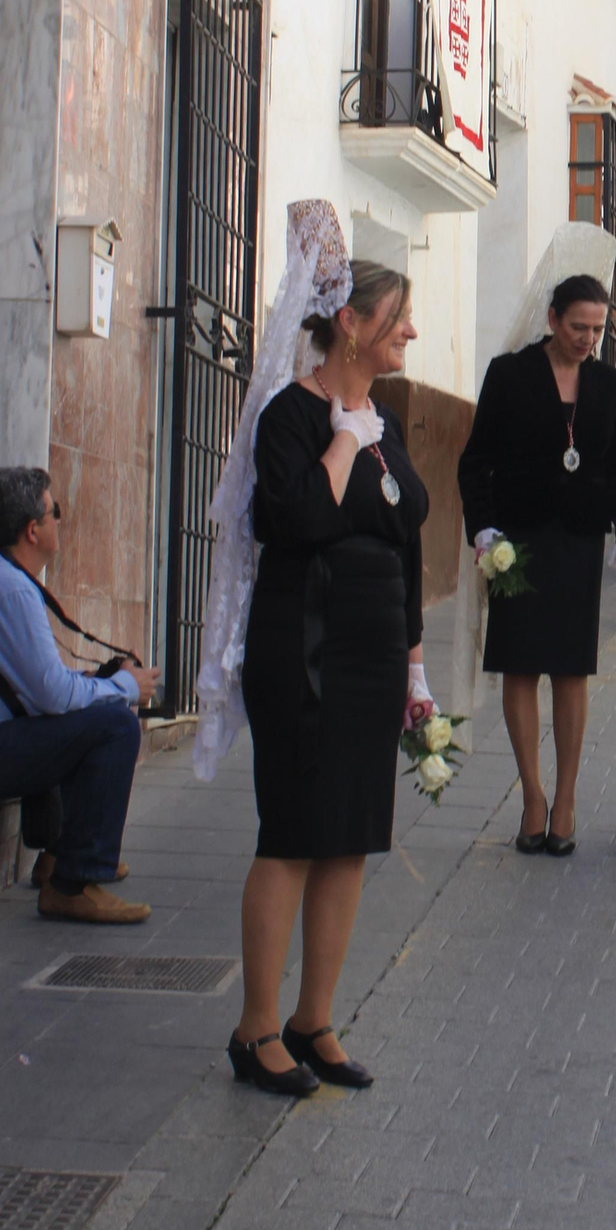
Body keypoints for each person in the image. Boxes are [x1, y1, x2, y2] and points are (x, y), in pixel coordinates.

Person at [226, 227, 431, 1096]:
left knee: (349, 838)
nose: (408, 335)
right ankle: (255, 1028)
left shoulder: (386, 420)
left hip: (373, 653)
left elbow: (407, 542)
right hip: (302, 649)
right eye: (397, 321)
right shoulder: (293, 416)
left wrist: (415, 667)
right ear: (350, 323)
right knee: (293, 836)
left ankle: (315, 1018)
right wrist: (344, 439)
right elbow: (298, 519)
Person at [460, 267, 616, 857]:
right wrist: (483, 528)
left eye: (597, 329)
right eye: (578, 327)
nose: (588, 339)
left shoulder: (610, 385)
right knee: (520, 668)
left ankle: (565, 799)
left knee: (570, 670)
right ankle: (531, 795)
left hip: (578, 543)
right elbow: (475, 460)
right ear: (552, 320)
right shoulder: (509, 374)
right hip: (519, 542)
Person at [0, 467, 159, 925]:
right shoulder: (9, 591)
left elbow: (39, 684)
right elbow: (52, 695)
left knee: (90, 707)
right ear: (32, 529)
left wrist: (102, 678)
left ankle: (58, 857)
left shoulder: (0, 578)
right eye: (54, 512)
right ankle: (75, 881)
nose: (60, 521)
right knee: (114, 725)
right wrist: (124, 686)